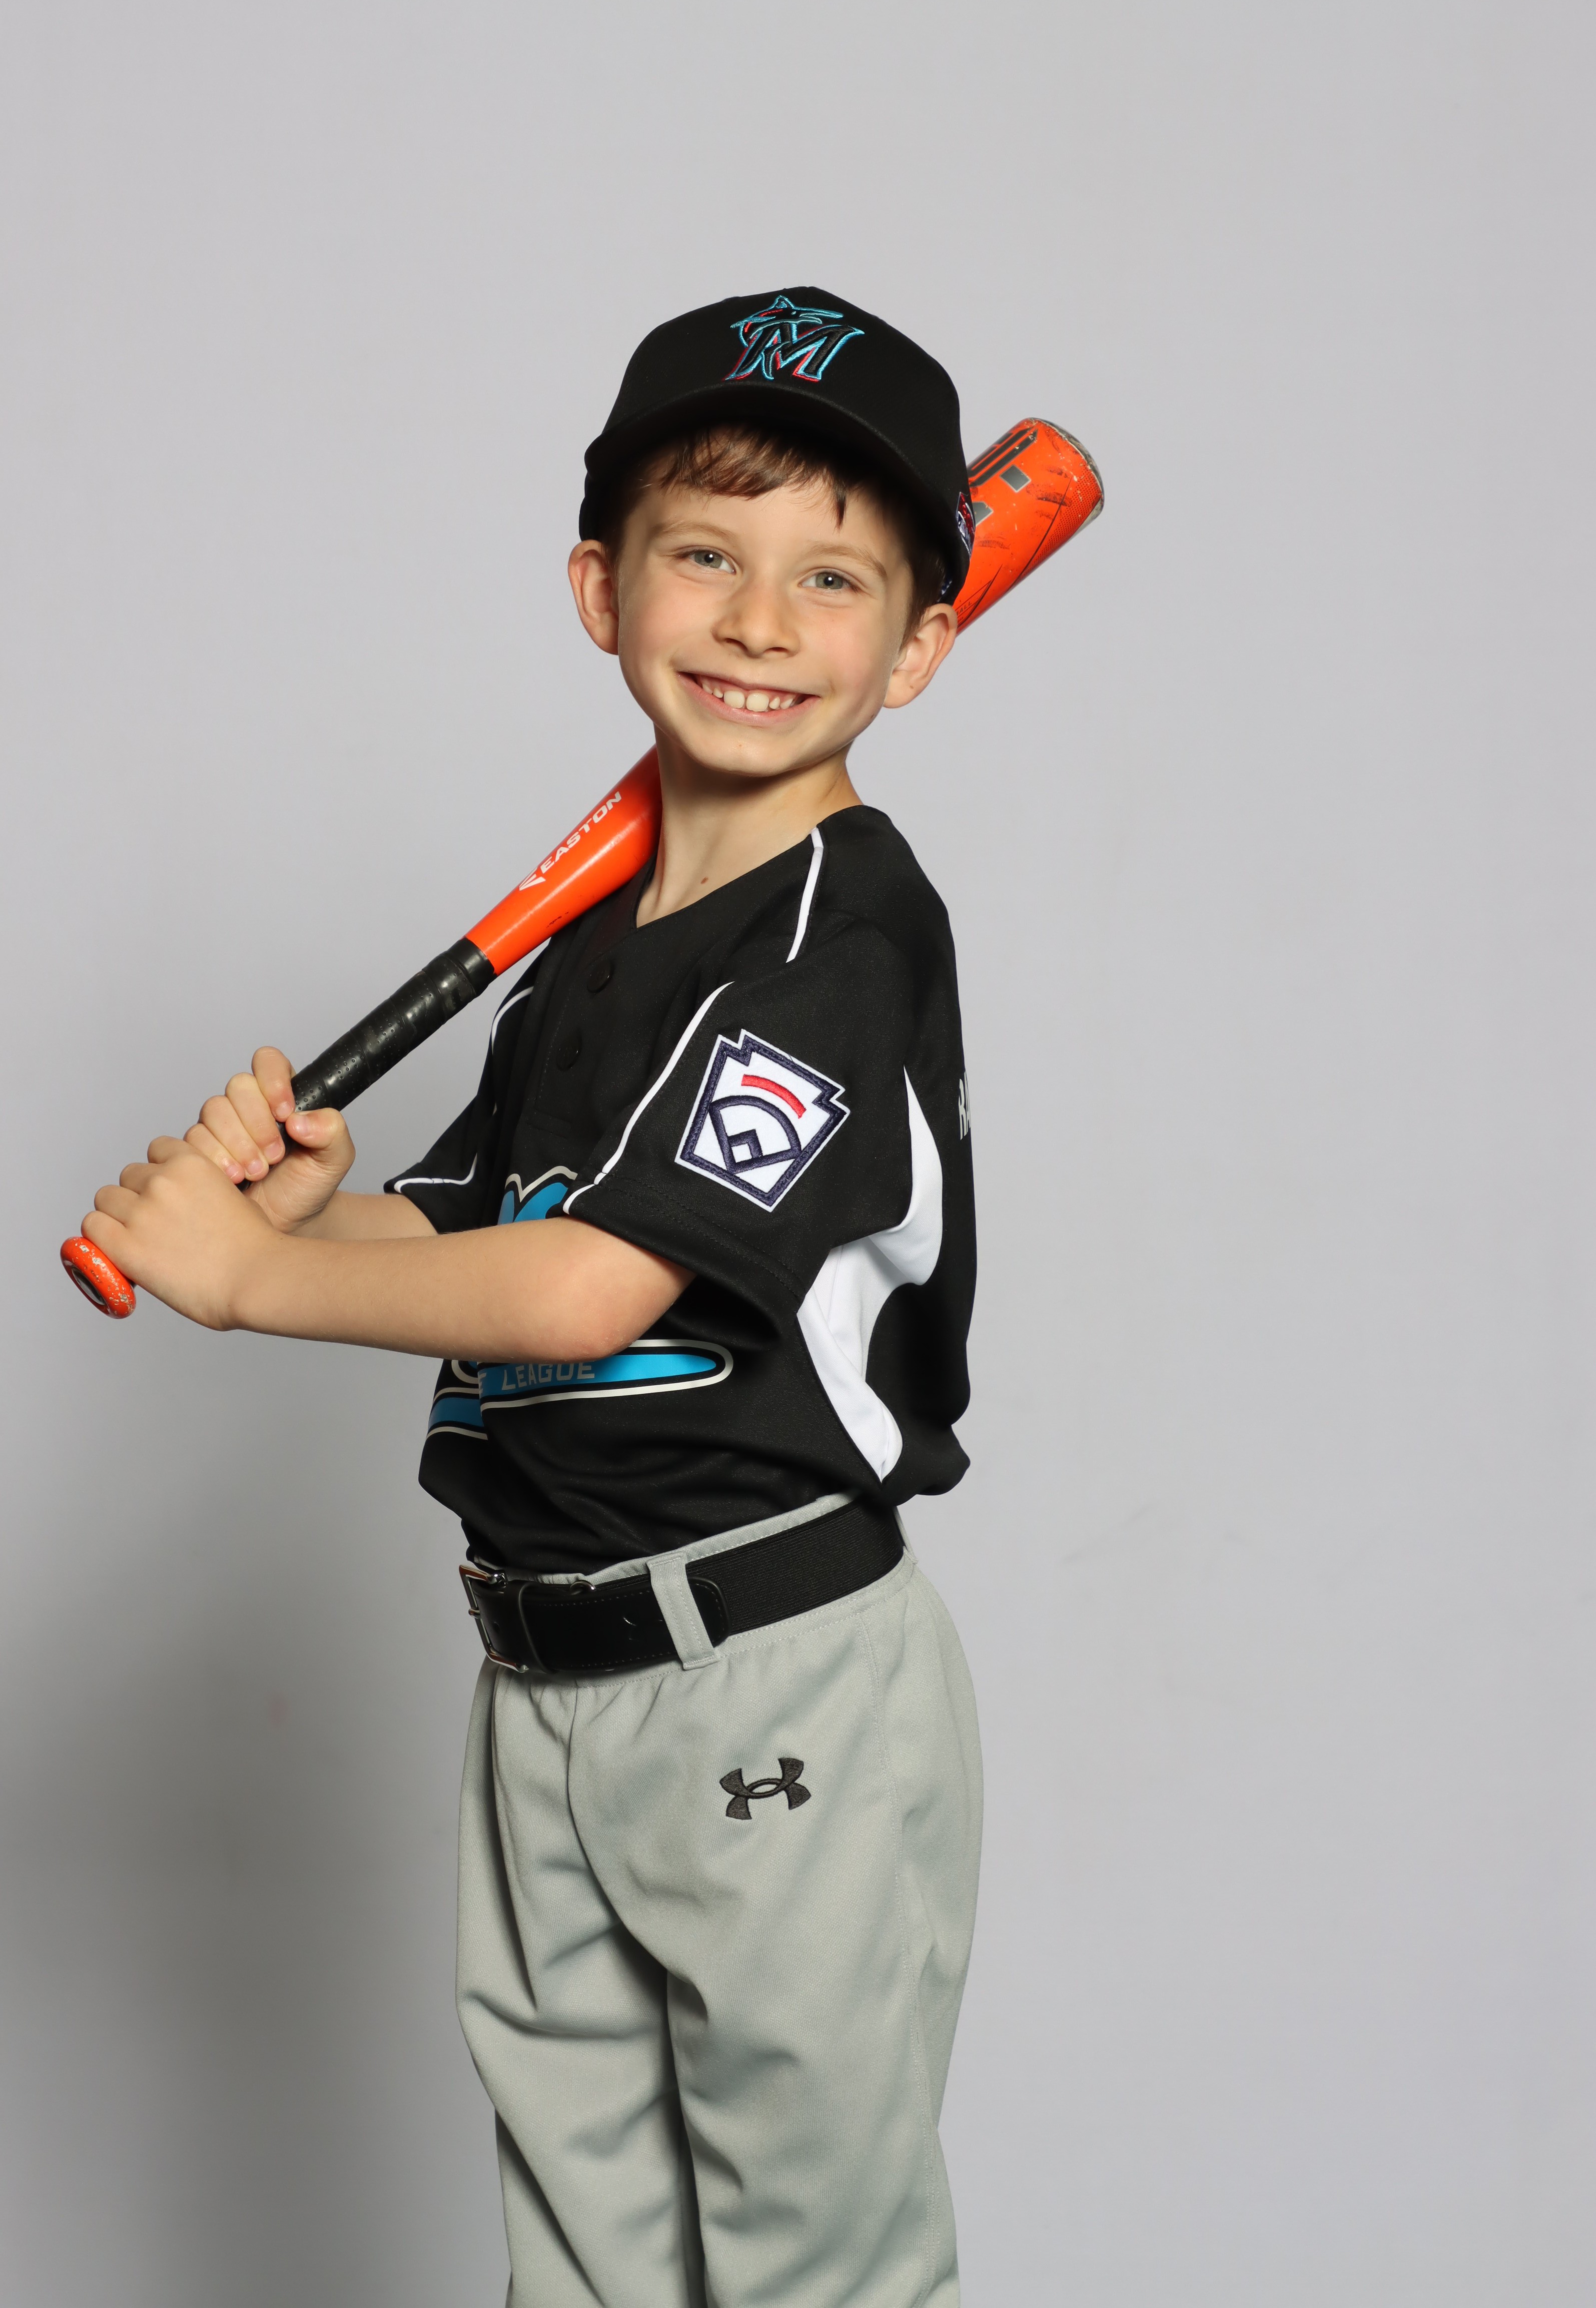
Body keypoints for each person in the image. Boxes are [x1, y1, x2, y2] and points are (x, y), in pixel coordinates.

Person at [83, 288, 985, 2308]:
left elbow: (587, 1289)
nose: (761, 620)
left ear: (918, 644)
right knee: (585, 2262)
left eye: (833, 577)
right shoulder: (597, 940)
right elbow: (476, 1227)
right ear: (601, 590)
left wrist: (252, 1279)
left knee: (811, 2269)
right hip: (545, 1675)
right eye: (705, 554)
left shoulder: (844, 934)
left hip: (767, 1675)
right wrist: (322, 1214)